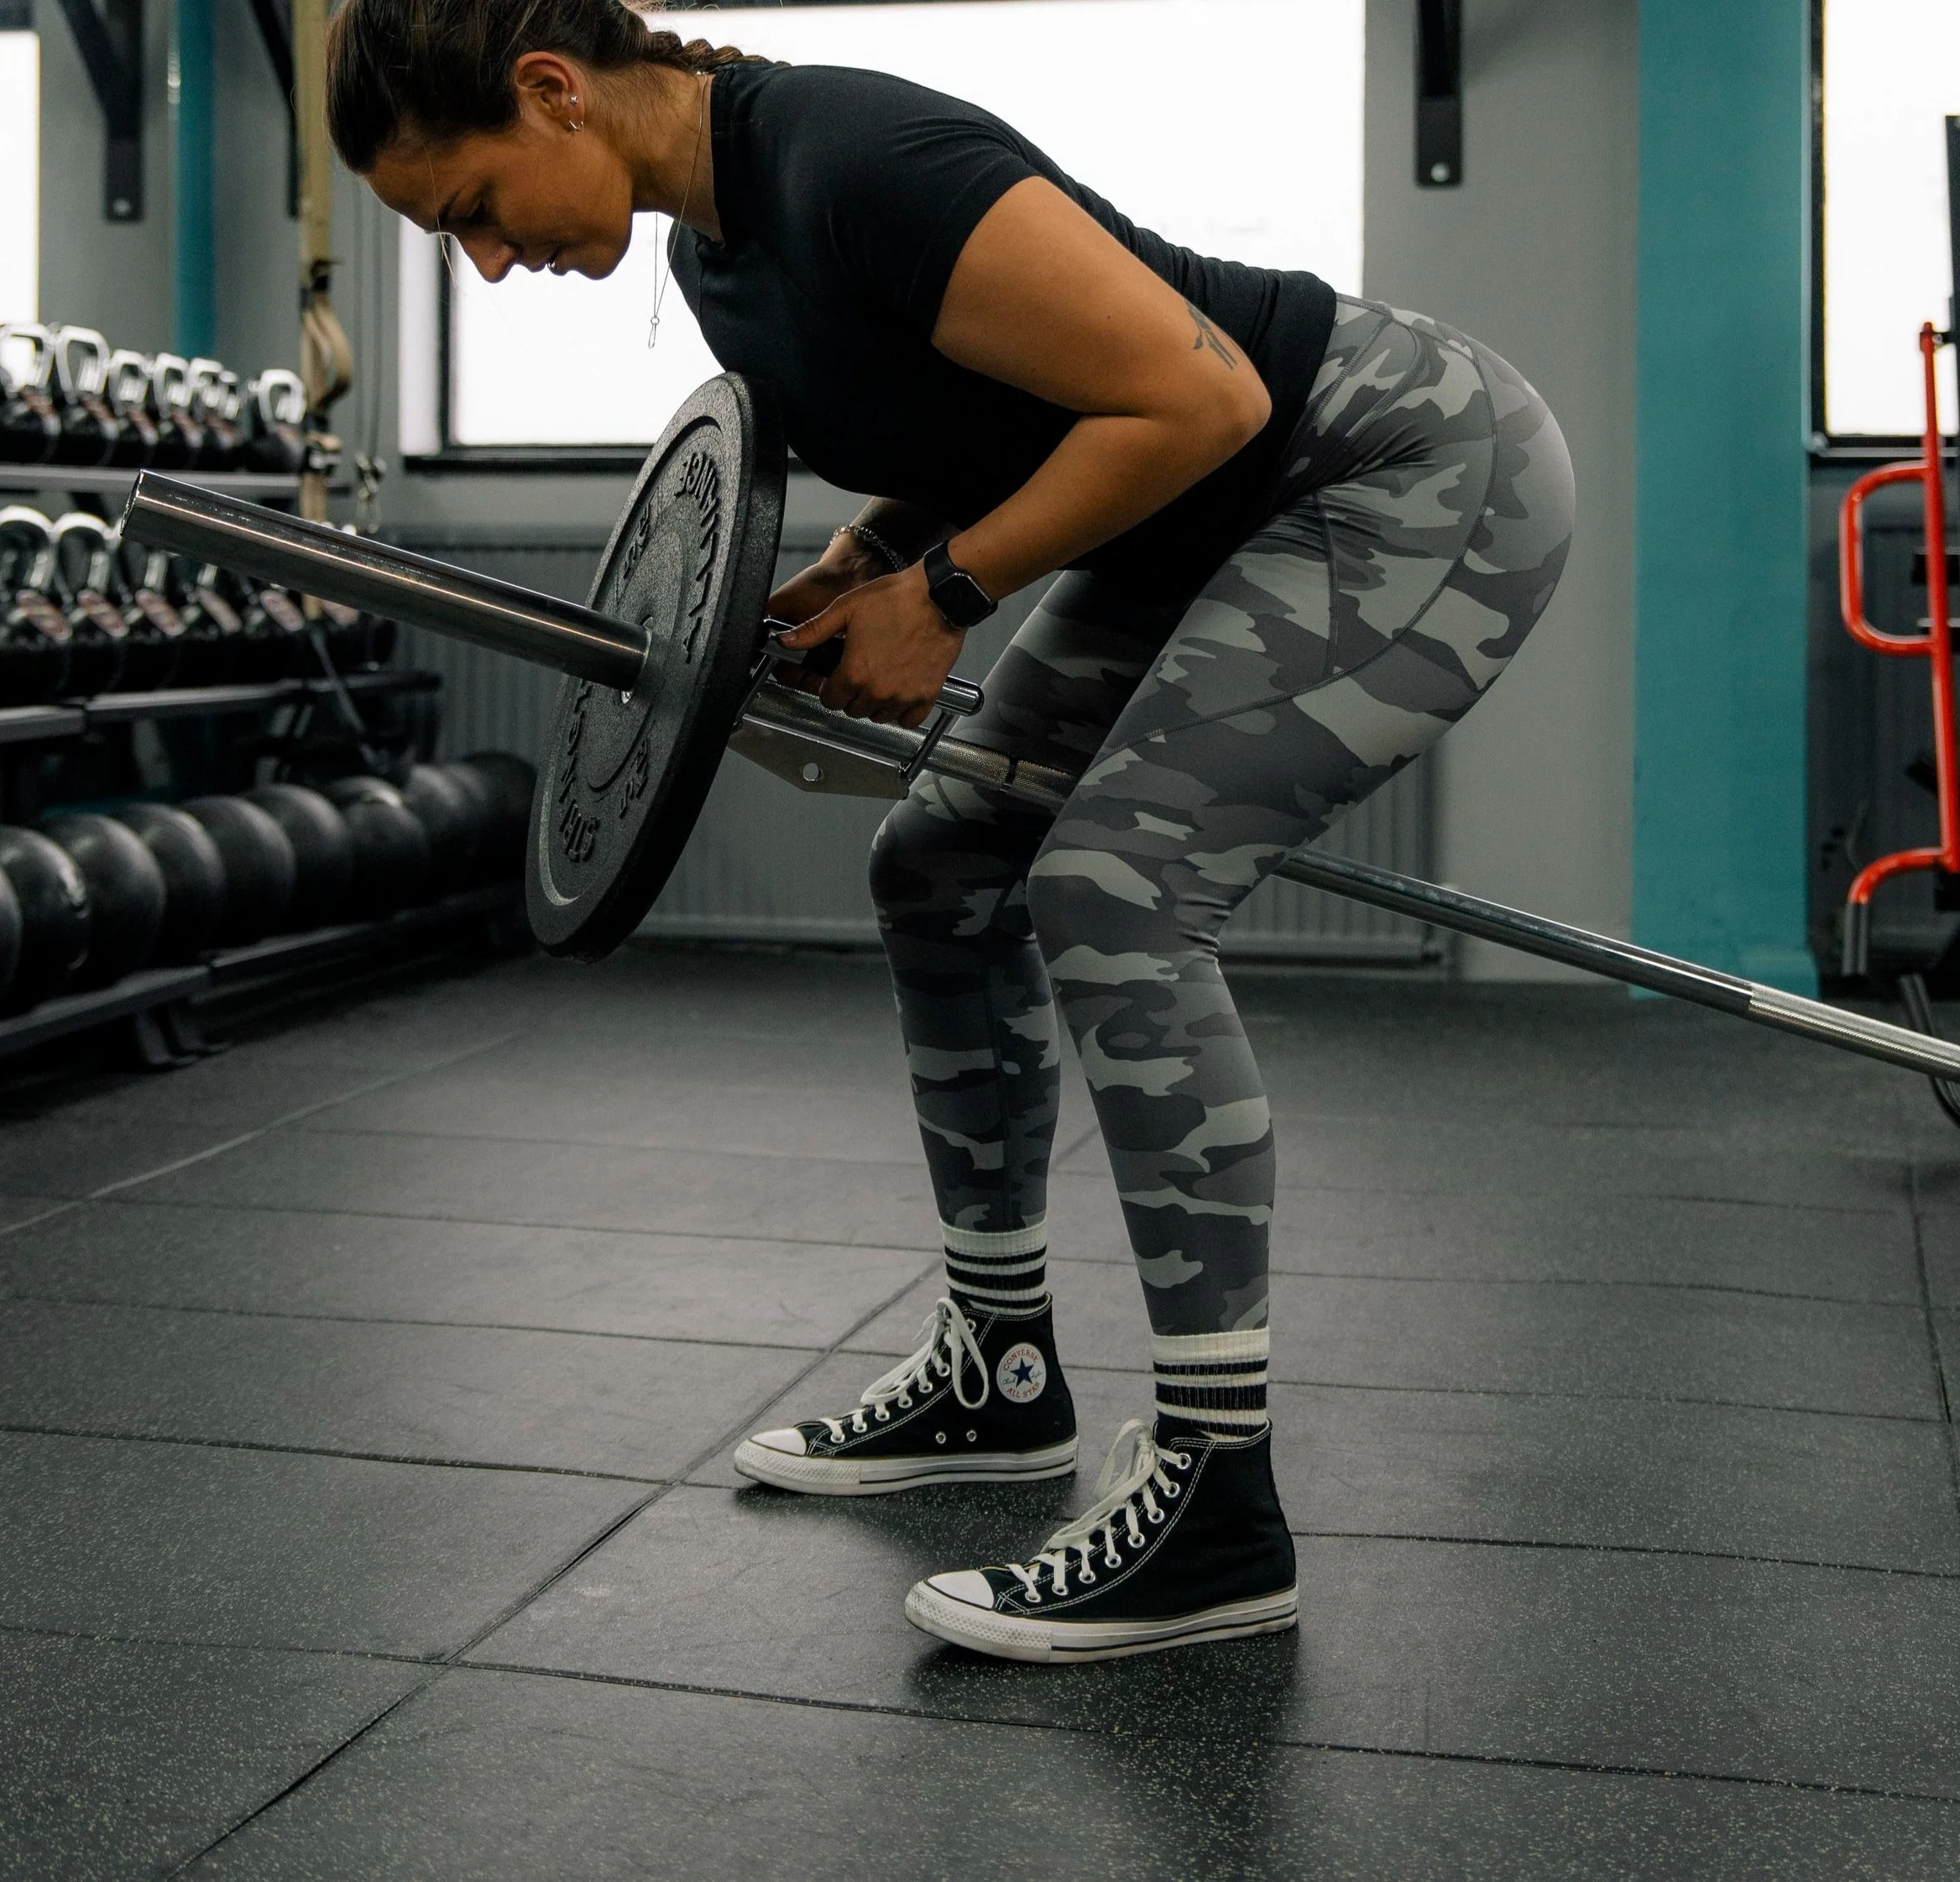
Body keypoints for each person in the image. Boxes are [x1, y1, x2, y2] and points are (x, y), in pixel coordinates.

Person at [331, 0, 1574, 1664]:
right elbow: (983, 405)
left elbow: (1195, 394)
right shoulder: (716, 253)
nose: (486, 263)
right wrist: (866, 567)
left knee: (1118, 891)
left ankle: (1219, 1500)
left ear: (552, 91)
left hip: (1395, 468)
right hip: (1197, 507)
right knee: (937, 861)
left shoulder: (854, 158)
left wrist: (948, 596)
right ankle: (999, 1368)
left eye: (472, 209)